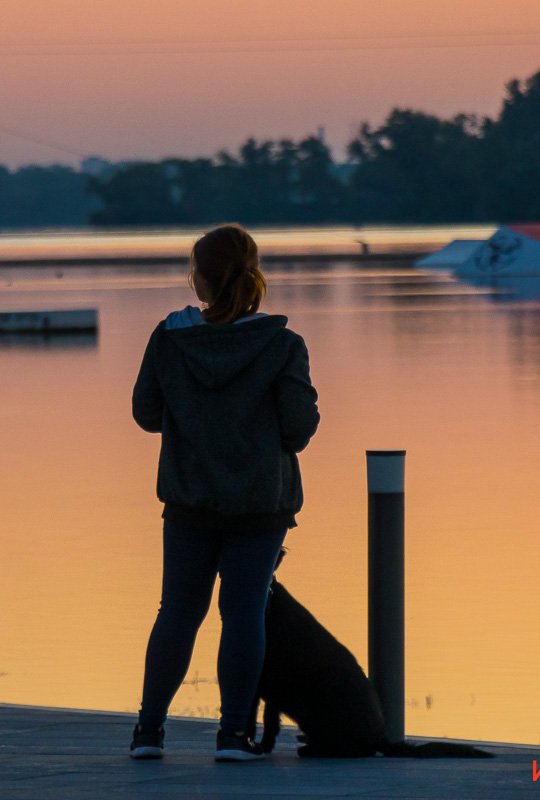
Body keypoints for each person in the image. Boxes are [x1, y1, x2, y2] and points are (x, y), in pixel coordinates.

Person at [129, 223, 320, 761]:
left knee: (178, 612)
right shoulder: (282, 344)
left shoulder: (169, 338)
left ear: (199, 279)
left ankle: (148, 733)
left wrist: (192, 420)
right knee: (242, 614)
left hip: (189, 500)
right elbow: (297, 428)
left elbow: (146, 414)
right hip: (261, 502)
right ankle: (233, 735)